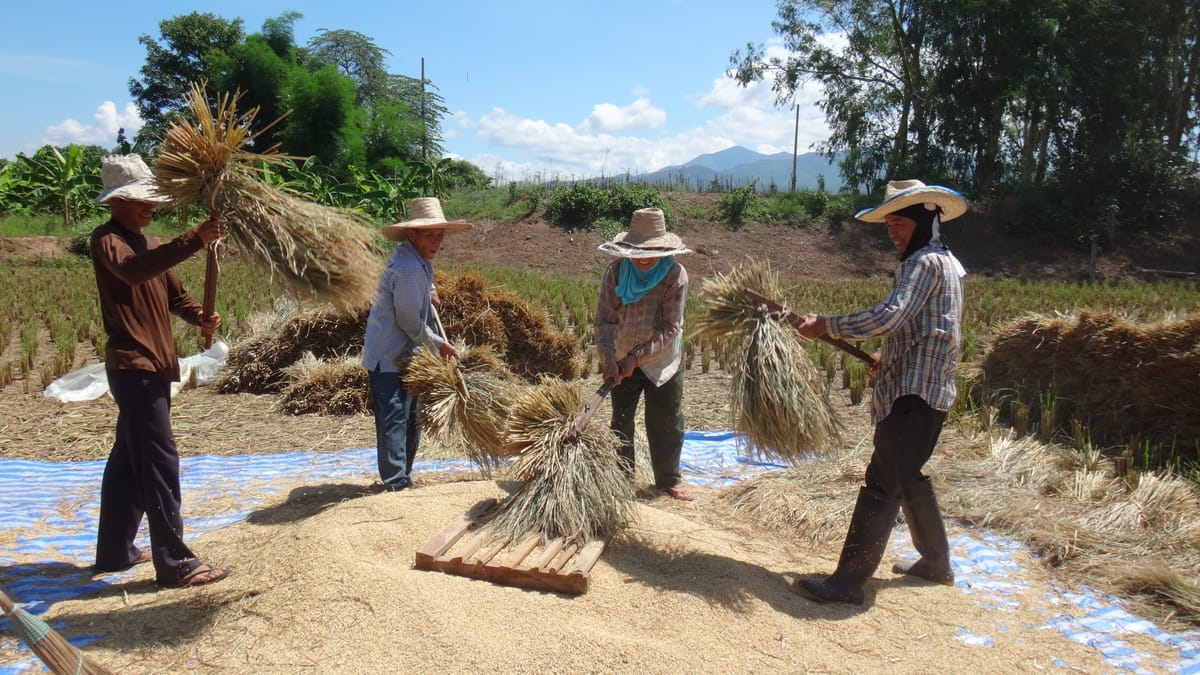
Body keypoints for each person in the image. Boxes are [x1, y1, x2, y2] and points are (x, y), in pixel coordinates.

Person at [792, 179, 968, 605]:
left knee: (883, 478)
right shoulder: (946, 262)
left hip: (914, 393)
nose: (892, 232)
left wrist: (828, 325)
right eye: (888, 224)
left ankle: (848, 582)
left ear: (922, 221)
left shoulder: (922, 263)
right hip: (926, 386)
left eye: (899, 224)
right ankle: (935, 562)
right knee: (907, 472)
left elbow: (891, 316)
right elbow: (928, 329)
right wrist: (887, 357)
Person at [90, 154, 228, 588]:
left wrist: (201, 317)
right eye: (141, 201)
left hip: (153, 366)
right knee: (158, 463)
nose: (150, 207)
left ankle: (115, 552)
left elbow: (177, 298)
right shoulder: (107, 240)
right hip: (133, 366)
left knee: (129, 462)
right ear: (117, 202)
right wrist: (194, 239)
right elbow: (133, 273)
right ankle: (175, 563)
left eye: (151, 200)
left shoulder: (150, 246)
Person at [363, 197, 472, 491]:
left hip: (408, 353)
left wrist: (431, 289)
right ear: (412, 234)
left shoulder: (416, 258)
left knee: (411, 417)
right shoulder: (409, 268)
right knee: (395, 418)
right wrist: (440, 346)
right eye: (430, 235)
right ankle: (395, 483)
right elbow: (409, 322)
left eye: (440, 235)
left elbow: (423, 276)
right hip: (389, 354)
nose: (437, 242)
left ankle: (403, 477)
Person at [594, 207, 695, 501]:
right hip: (621, 356)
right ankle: (622, 480)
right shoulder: (615, 273)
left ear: (663, 250)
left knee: (666, 420)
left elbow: (670, 329)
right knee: (621, 420)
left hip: (662, 361)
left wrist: (635, 359)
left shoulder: (674, 275)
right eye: (638, 251)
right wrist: (609, 359)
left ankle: (668, 479)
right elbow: (604, 320)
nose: (643, 257)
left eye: (650, 251)